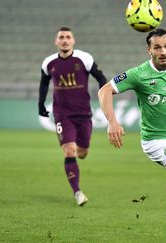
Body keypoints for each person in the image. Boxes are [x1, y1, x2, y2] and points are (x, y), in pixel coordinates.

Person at [98, 28, 166, 243]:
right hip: (156, 141)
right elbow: (104, 91)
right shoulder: (139, 74)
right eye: (157, 47)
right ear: (149, 50)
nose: (163, 51)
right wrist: (112, 121)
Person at [38, 26, 107, 206]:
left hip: (83, 114)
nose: (65, 40)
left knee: (82, 153)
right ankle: (77, 192)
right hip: (62, 114)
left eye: (68, 37)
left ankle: (79, 159)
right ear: (56, 41)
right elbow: (44, 84)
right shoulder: (49, 63)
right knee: (69, 151)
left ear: (73, 40)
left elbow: (101, 78)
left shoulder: (84, 58)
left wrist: (104, 96)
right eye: (61, 37)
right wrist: (40, 104)